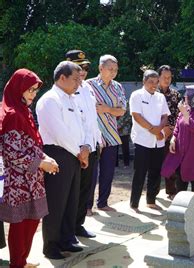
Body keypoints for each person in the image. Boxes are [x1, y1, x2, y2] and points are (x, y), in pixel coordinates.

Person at [0, 69, 59, 267]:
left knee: (32, 221)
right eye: (29, 90)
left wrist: (46, 157)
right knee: (20, 225)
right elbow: (12, 153)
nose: (33, 94)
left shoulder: (23, 110)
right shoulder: (11, 114)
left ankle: (22, 261)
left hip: (32, 178)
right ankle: (17, 263)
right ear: (18, 89)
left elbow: (32, 144)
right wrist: (41, 163)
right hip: (18, 181)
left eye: (35, 90)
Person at [36, 61, 88, 259]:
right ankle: (51, 246)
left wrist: (84, 148)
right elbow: (59, 133)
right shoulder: (50, 100)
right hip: (57, 154)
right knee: (56, 202)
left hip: (74, 154)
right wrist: (78, 152)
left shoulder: (71, 99)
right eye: (75, 79)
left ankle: (67, 239)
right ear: (62, 78)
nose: (78, 83)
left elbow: (80, 127)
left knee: (71, 201)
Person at [65, 50, 102, 241]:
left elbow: (91, 119)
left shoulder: (87, 88)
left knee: (86, 190)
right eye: (79, 68)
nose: (83, 71)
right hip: (77, 150)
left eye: (86, 67)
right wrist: (83, 149)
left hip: (92, 146)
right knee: (73, 192)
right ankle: (68, 230)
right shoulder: (66, 92)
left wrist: (98, 139)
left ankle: (78, 225)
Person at [87, 54, 126, 213]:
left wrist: (107, 109)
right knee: (91, 174)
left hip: (111, 135)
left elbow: (122, 110)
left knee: (108, 173)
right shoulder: (88, 85)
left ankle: (103, 203)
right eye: (110, 69)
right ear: (100, 68)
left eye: (116, 70)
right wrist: (110, 110)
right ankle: (86, 206)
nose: (113, 72)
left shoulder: (118, 87)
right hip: (93, 136)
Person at [161, 85, 194, 195]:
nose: (185, 97)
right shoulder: (186, 109)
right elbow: (178, 123)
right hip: (182, 152)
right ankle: (181, 207)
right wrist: (174, 137)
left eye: (188, 95)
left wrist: (186, 114)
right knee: (181, 181)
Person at [129, 70, 170, 211]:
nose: (154, 85)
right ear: (144, 81)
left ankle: (151, 200)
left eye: (156, 82)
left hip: (158, 141)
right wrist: (154, 130)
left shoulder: (160, 97)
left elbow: (165, 115)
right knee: (140, 172)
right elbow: (137, 116)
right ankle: (134, 203)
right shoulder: (136, 95)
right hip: (142, 140)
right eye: (150, 82)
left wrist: (159, 129)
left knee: (156, 171)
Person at [157, 65, 181, 200]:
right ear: (158, 77)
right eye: (164, 77)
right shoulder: (153, 93)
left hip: (172, 134)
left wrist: (172, 129)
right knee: (154, 165)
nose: (167, 80)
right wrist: (162, 128)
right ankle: (151, 193)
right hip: (155, 133)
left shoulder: (175, 94)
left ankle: (172, 191)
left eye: (169, 77)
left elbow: (179, 115)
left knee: (171, 162)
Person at [117, 103, 132, 167]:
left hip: (124, 131)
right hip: (115, 130)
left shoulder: (126, 104)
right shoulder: (113, 102)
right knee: (115, 148)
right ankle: (115, 164)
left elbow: (128, 117)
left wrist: (119, 126)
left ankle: (126, 163)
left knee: (125, 148)